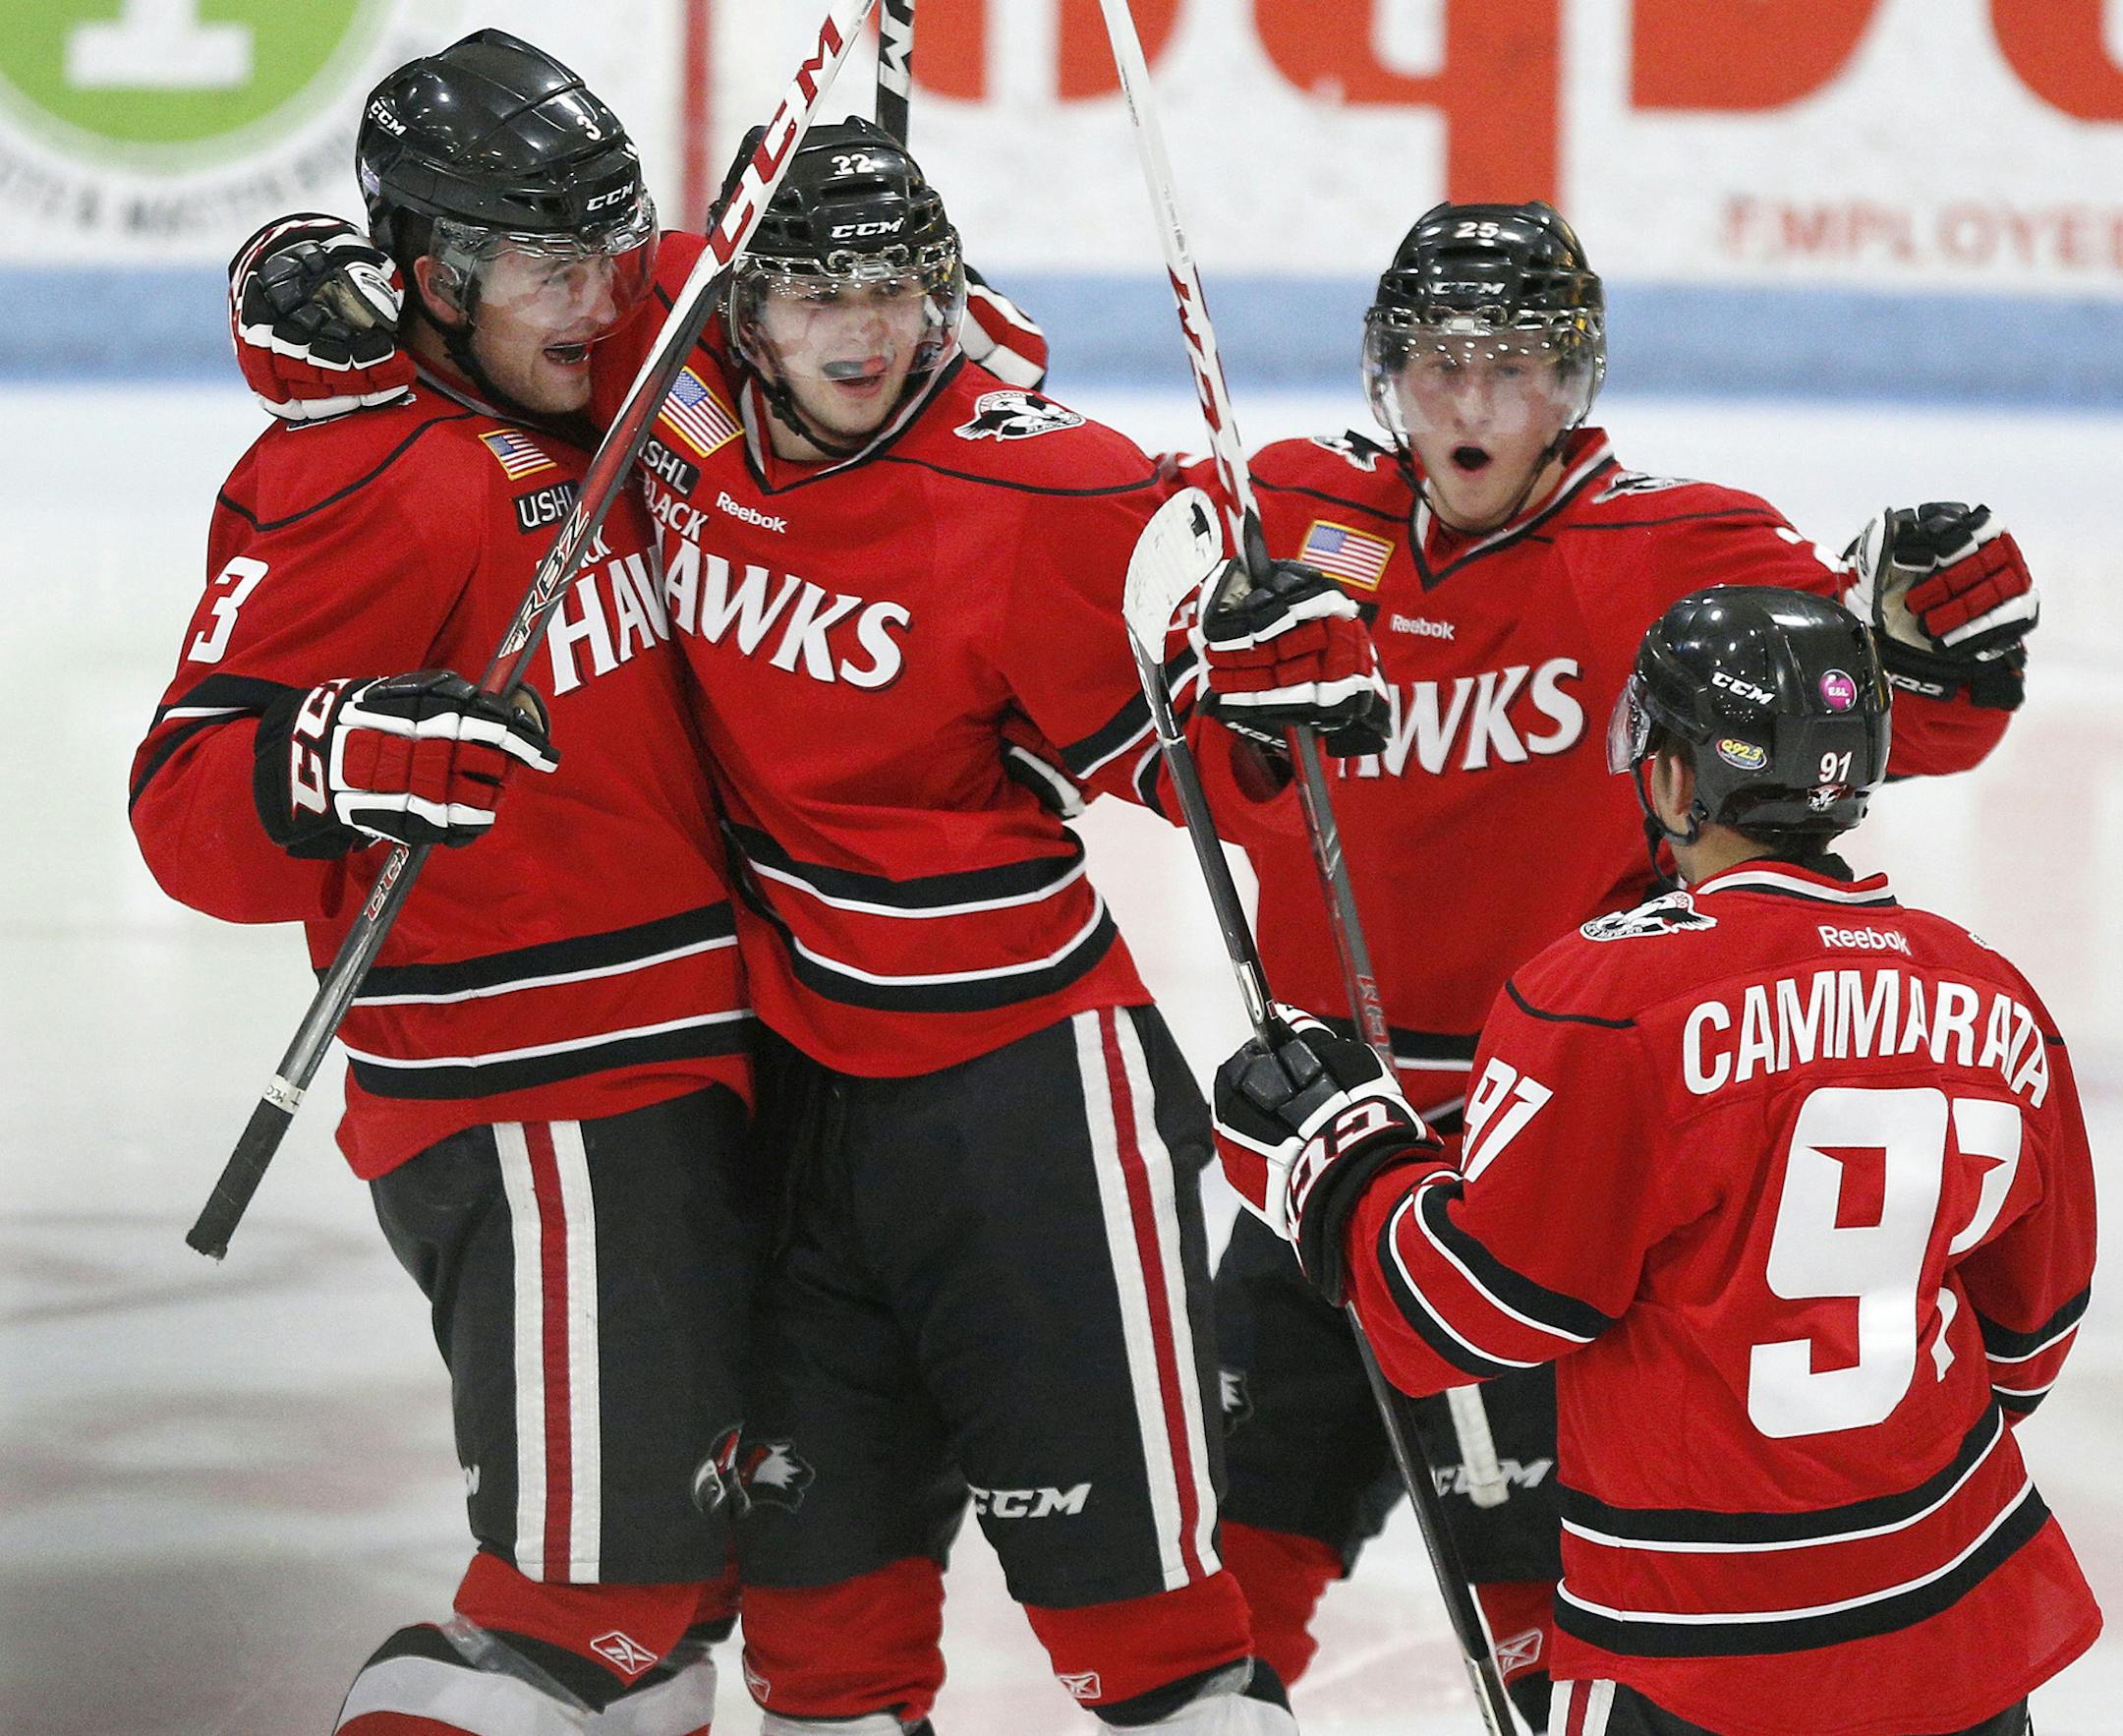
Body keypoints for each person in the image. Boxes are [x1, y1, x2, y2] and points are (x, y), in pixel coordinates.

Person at [219, 108, 1392, 1733]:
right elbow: (486, 294)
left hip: (1022, 1107)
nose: (861, 333)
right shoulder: (676, 397)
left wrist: (1275, 693)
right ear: (738, 318)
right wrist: (293, 281)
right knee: (819, 1665)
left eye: (898, 290)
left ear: (951, 294)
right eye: (814, 296)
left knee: (1156, 1652)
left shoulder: (1042, 482)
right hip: (789, 1116)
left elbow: (1194, 726)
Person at [1181, 201, 2041, 1724]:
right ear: (1387, 371)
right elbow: (1120, 680)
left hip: (1561, 1163)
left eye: (1510, 364)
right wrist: (1214, 659)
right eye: (1439, 363)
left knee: (1552, 1599)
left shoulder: (1687, 546)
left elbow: (1872, 726)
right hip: (1331, 1130)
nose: (1471, 403)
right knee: (1226, 1559)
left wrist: (1941, 652)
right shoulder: (1284, 513)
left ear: (1574, 379)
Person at [131, 33, 766, 1735]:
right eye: (547, 264)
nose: (595, 298)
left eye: (608, 252)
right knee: (590, 1606)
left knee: (673, 1609)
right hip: (539, 1100)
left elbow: (762, 298)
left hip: (675, 1072)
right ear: (430, 274)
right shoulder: (373, 475)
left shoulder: (610, 372)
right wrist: (340, 753)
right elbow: (184, 797)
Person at [1209, 585, 2098, 1736]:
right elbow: (2027, 1341)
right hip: (1958, 1615)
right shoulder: (1992, 991)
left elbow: (1471, 1315)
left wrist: (1336, 1154)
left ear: (1673, 778)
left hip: (1696, 1642)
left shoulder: (1607, 996)